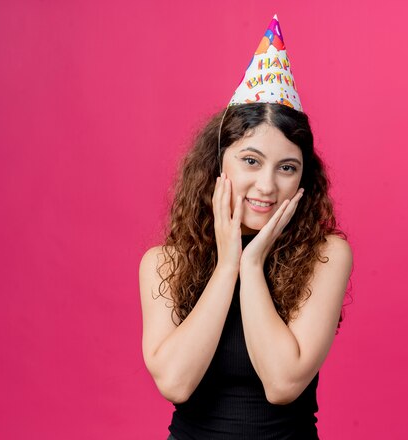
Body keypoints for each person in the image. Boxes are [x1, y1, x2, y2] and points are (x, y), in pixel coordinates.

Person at [139, 15, 352, 440]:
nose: (268, 185)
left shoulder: (325, 254)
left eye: (287, 168)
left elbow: (282, 383)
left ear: (303, 180)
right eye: (250, 161)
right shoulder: (164, 262)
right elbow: (175, 383)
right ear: (218, 163)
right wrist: (226, 267)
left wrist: (252, 266)